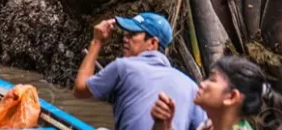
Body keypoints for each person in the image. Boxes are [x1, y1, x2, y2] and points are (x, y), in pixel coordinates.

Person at [73, 13, 207, 130]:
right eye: (126, 34)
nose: (125, 38)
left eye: (133, 34)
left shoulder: (124, 67)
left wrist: (97, 42)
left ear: (152, 43)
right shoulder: (191, 86)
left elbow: (80, 90)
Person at [151, 56, 282, 130]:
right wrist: (163, 123)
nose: (202, 84)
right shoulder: (210, 125)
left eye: (212, 80)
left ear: (232, 97)